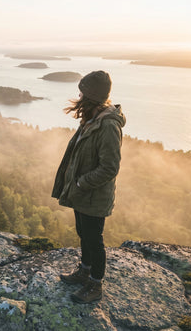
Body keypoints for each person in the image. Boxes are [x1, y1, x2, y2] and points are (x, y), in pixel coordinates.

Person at [51, 70, 126, 303]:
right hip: (81, 192)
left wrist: (82, 182)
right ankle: (85, 270)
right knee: (83, 233)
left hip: (93, 194)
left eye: (82, 91)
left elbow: (110, 167)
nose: (79, 94)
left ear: (91, 94)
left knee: (95, 239)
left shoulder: (108, 125)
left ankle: (95, 285)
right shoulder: (92, 117)